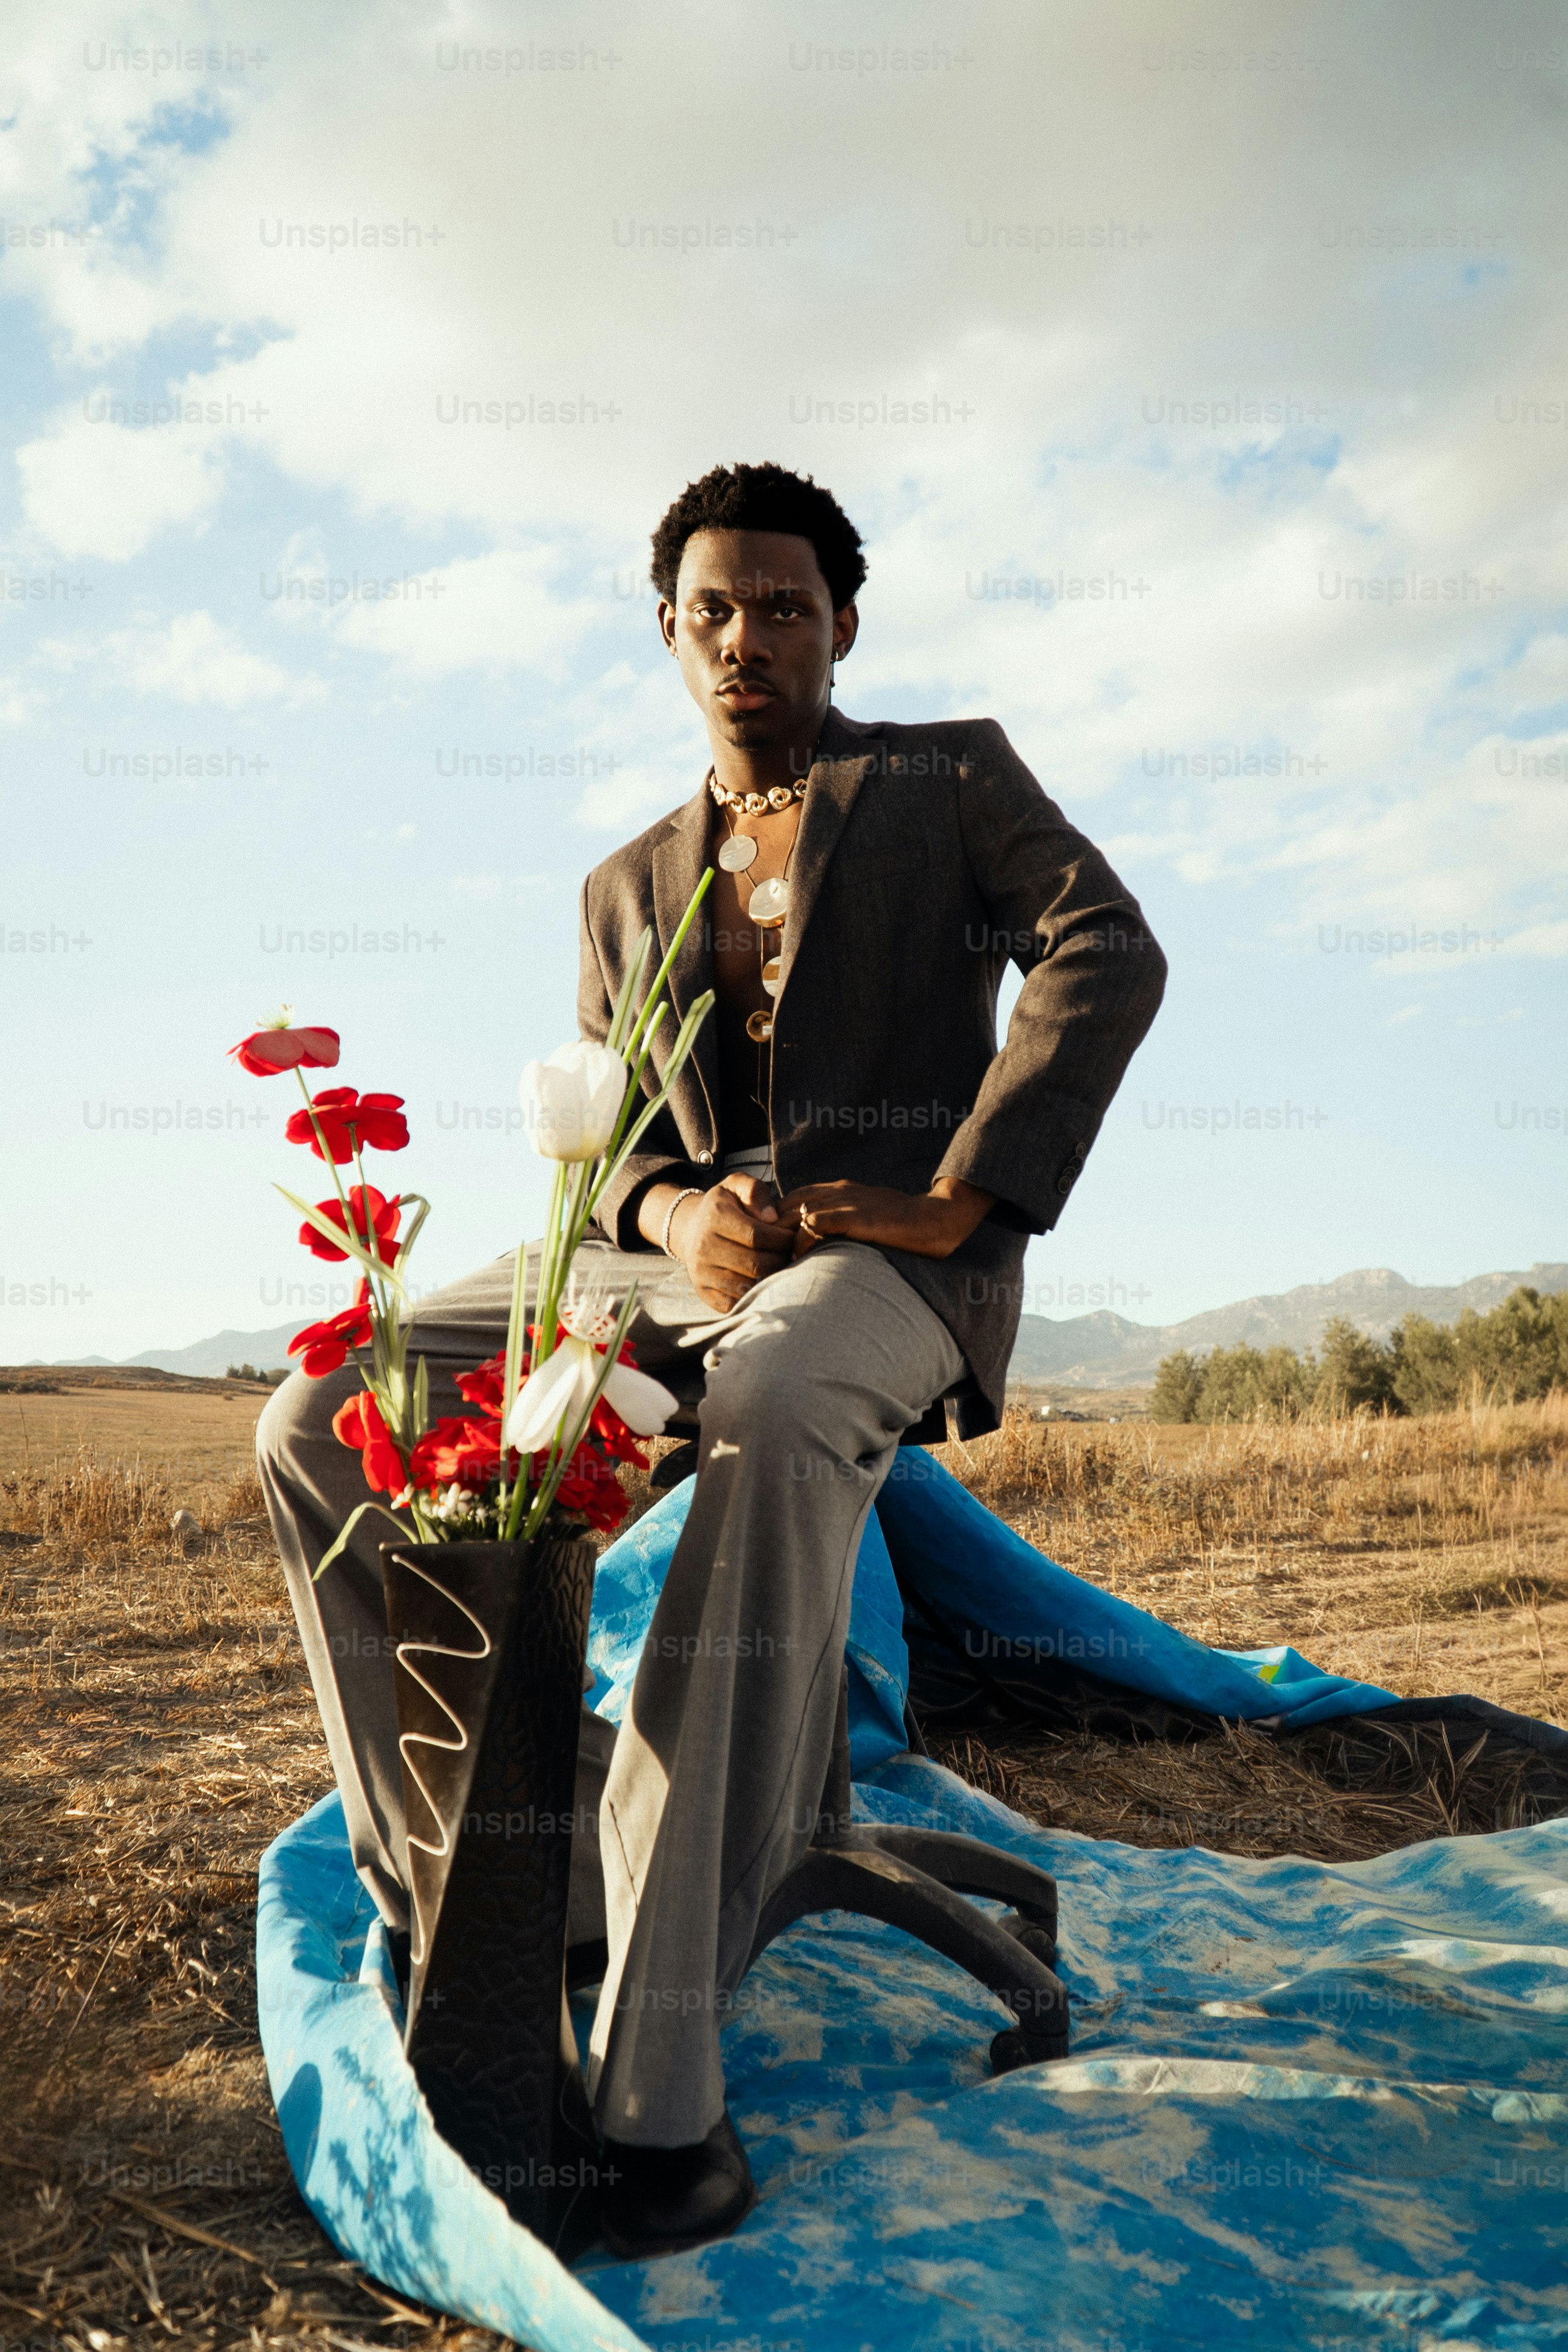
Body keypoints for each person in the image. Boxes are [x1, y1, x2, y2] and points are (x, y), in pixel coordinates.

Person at [258, 460, 1166, 2259]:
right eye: (708, 610)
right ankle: (491, 1877)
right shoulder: (620, 886)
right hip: (658, 1266)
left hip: (879, 1271)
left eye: (781, 605)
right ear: (666, 633)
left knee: (760, 1397)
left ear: (841, 622)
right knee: (316, 1416)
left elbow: (1105, 947)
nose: (744, 635)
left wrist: (953, 1192)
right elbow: (620, 1159)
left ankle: (661, 2099)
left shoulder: (946, 778)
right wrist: (673, 1225)